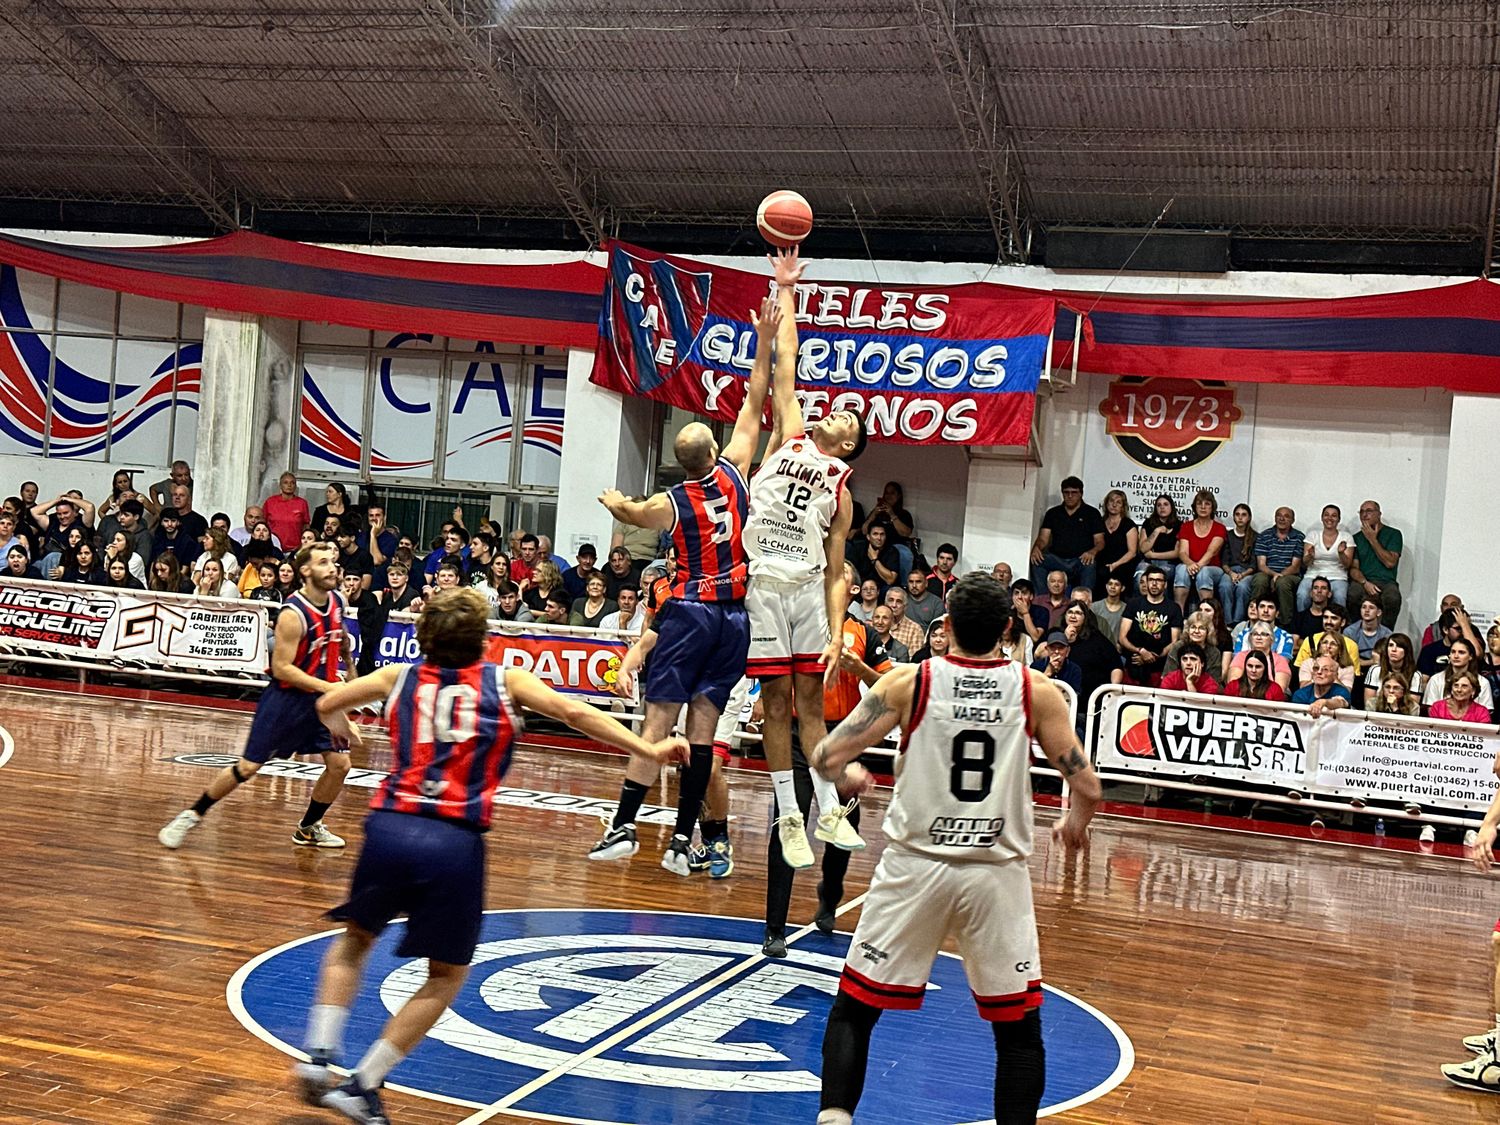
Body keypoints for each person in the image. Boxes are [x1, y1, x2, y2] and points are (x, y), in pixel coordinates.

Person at [289, 587, 687, 1121]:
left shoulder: (397, 677)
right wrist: (649, 748)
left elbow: (324, 703)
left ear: (425, 634)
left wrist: (345, 730)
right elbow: (574, 712)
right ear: (483, 638)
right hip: (453, 837)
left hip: (390, 825)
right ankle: (363, 1085)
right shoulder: (505, 679)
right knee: (447, 974)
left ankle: (318, 1056)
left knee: (355, 941)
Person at [811, 571, 1100, 1125]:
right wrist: (1074, 824)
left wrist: (849, 773)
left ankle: (834, 1119)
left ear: (945, 625)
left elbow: (826, 755)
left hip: (914, 866)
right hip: (995, 874)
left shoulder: (907, 682)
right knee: (1018, 1031)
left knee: (855, 1008)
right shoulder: (1034, 689)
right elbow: (1087, 785)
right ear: (1010, 629)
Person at [589, 285, 778, 875]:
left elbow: (629, 514)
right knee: (703, 734)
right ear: (716, 450)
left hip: (691, 611)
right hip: (735, 617)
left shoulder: (671, 502)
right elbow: (753, 402)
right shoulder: (736, 473)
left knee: (656, 724)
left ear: (680, 462)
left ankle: (623, 828)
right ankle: (681, 840)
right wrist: (767, 341)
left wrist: (616, 500)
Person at [739, 249, 869, 875]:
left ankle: (825, 810)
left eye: (846, 416)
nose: (835, 408)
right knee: (774, 703)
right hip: (764, 583)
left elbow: (839, 568)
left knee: (810, 706)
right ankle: (789, 814)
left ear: (849, 445)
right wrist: (783, 287)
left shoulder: (842, 490)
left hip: (808, 591)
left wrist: (840, 632)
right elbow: (785, 367)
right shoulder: (790, 434)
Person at [158, 543, 355, 851]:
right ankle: (191, 814)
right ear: (305, 571)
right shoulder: (294, 613)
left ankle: (308, 827)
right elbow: (282, 668)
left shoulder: (337, 600)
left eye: (332, 561)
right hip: (287, 700)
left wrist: (350, 678)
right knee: (248, 768)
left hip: (320, 701)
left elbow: (340, 641)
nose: (332, 567)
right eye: (323, 563)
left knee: (341, 765)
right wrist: (331, 688)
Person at [763, 564, 889, 958]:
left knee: (844, 828)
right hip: (799, 736)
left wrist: (859, 667)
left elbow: (887, 687)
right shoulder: (799, 622)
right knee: (789, 821)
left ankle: (829, 897)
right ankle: (774, 927)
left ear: (850, 589)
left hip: (844, 736)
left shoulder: (863, 632)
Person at [1028, 475, 1104, 592]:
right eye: (1066, 492)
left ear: (1081, 494)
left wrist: (1092, 552)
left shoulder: (1092, 513)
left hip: (1080, 560)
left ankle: (1084, 601)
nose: (1070, 496)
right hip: (1057, 559)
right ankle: (1042, 600)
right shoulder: (1053, 513)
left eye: (1074, 492)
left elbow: (1100, 542)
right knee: (1038, 561)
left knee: (1090, 564)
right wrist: (1037, 547)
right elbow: (1043, 538)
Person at [1118, 565, 1182, 686]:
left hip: (1160, 668)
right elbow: (1122, 637)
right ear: (1146, 583)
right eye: (1151, 580)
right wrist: (1141, 651)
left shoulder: (1173, 608)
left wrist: (1152, 657)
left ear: (1165, 584)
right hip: (1133, 664)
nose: (1154, 584)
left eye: (1158, 580)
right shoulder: (1133, 604)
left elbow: (1175, 642)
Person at [1347, 499, 1403, 628]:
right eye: (1361, 512)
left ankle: (1385, 637)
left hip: (1386, 581)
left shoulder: (1394, 534)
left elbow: (1390, 563)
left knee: (1393, 598)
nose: (1364, 515)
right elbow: (1354, 569)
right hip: (1364, 580)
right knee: (1353, 594)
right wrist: (1365, 583)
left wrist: (1372, 539)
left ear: (1379, 514)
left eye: (1369, 511)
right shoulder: (1356, 538)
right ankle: (1355, 633)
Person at [1248, 506, 1304, 626]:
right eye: (1279, 515)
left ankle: (1285, 624)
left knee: (1282, 583)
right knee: (1259, 580)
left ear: (1293, 520)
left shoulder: (1299, 537)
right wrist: (1274, 575)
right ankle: (1255, 621)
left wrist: (1279, 577)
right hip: (1268, 571)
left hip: (1290, 574)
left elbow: (1295, 566)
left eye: (1286, 516)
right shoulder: (1264, 535)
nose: (1282, 519)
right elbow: (1261, 564)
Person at [1173, 488, 1226, 611]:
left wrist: (1196, 567)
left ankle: (1205, 616)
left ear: (1212, 508)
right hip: (1190, 566)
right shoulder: (1186, 526)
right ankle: (1178, 615)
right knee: (1181, 569)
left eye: (1207, 504)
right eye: (1199, 503)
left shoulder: (1219, 528)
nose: (1203, 507)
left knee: (1204, 572)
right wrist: (1190, 564)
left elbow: (1211, 552)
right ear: (1194, 507)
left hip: (1213, 569)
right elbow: (1182, 552)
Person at [1298, 504, 1352, 612]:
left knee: (1340, 597)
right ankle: (1302, 625)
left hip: (1337, 576)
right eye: (1326, 515)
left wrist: (1341, 553)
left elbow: (1347, 565)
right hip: (1313, 575)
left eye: (1334, 516)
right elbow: (1305, 563)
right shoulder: (1312, 535)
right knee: (1302, 594)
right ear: (1322, 518)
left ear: (1338, 519)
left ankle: (1338, 625)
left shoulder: (1346, 537)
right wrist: (1310, 556)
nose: (1330, 518)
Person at [1424, 639, 1495, 712]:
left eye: (1461, 652)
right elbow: (1431, 710)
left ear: (1470, 656)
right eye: (1453, 652)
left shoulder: (1483, 682)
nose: (1456, 656)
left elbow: (1486, 713)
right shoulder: (1436, 679)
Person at [1216, 502, 1258, 624]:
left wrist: (1242, 575)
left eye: (1244, 515)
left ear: (1249, 517)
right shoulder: (1227, 535)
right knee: (1225, 586)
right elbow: (1224, 560)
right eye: (1237, 514)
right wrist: (1231, 573)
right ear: (1233, 517)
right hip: (1230, 571)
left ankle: (1238, 622)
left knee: (1242, 587)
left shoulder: (1255, 537)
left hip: (1247, 572)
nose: (1240, 518)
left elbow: (1254, 564)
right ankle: (1227, 622)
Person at [1094, 488, 1138, 596]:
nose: (1114, 505)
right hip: (1101, 562)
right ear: (1106, 503)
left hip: (1122, 563)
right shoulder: (1099, 522)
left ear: (1123, 507)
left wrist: (1115, 565)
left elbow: (1132, 552)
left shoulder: (1128, 524)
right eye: (1111, 501)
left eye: (1118, 502)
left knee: (1117, 574)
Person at [1226, 623, 1294, 693]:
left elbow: (1279, 689)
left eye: (1264, 634)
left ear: (1271, 639)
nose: (1258, 638)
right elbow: (1233, 684)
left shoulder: (1280, 660)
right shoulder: (1241, 657)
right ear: (1250, 638)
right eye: (1255, 634)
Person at [1134, 494, 1181, 585]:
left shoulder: (1179, 525)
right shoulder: (1148, 523)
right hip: (1148, 562)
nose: (1162, 507)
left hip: (1169, 563)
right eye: (1159, 505)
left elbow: (1177, 553)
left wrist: (1152, 555)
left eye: (1165, 504)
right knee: (1140, 577)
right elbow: (1143, 548)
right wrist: (1157, 531)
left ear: (1172, 507)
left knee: (1160, 580)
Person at [264, 472, 310, 552]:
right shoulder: (270, 502)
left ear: (295, 486)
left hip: (295, 549)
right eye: (286, 482)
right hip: (272, 548)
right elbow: (262, 523)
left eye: (292, 483)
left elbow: (306, 526)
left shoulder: (302, 503)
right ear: (280, 485)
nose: (289, 485)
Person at [1344, 595, 1393, 670]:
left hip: (1379, 670)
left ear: (1379, 612)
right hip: (1355, 670)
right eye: (1364, 607)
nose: (1366, 610)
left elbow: (1386, 660)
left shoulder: (1386, 634)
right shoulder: (1350, 632)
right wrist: (1372, 661)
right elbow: (1348, 659)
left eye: (1371, 607)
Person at [849, 522, 899, 594]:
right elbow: (851, 574)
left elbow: (890, 580)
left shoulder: (892, 551)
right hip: (861, 587)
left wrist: (875, 560)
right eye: (875, 534)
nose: (879, 538)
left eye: (882, 534)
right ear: (868, 537)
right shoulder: (858, 548)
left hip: (882, 589)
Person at [357, 503, 398, 590]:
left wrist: (373, 535)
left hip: (379, 583)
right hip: (360, 582)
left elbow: (377, 561)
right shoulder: (360, 537)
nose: (374, 518)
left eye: (378, 515)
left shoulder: (391, 540)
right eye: (371, 515)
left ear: (384, 517)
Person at [1031, 630, 1082, 694]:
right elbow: (1032, 692)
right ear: (1047, 649)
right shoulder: (1035, 667)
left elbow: (1075, 696)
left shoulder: (1075, 670)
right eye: (1052, 647)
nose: (1057, 651)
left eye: (1061, 648)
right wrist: (1048, 672)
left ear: (1068, 651)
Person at [1092, 573, 1129, 651]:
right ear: (1106, 586)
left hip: (1116, 651)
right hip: (1096, 649)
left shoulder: (1127, 609)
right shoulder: (1095, 607)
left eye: (1117, 585)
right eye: (1110, 584)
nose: (1112, 587)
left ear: (1122, 588)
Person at [883, 588, 925, 655]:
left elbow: (913, 661)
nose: (894, 605)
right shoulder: (876, 625)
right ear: (885, 603)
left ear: (905, 606)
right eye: (891, 600)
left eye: (898, 601)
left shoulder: (915, 629)